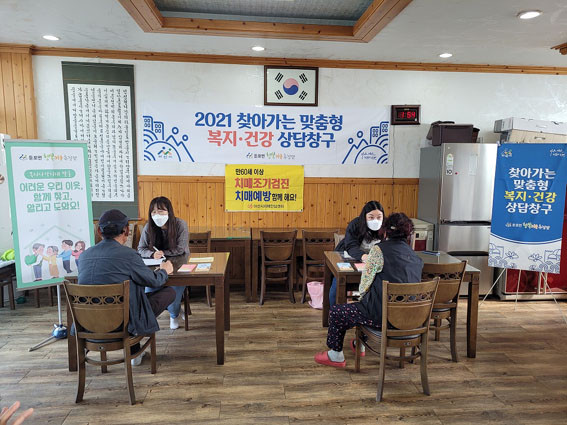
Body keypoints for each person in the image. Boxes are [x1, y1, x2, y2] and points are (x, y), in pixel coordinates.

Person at [315, 212, 423, 368]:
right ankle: (359, 343)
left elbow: (364, 285)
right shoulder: (416, 257)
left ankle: (335, 355)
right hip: (411, 320)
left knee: (339, 312)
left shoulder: (378, 250)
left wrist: (361, 298)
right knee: (366, 307)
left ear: (385, 231)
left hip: (382, 318)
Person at [78, 209, 175, 366]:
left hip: (89, 324)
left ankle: (134, 350)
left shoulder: (84, 256)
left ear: (99, 231)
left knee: (130, 291)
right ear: (127, 231)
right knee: (168, 292)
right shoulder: (129, 255)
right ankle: (134, 352)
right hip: (122, 325)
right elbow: (154, 281)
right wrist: (164, 271)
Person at [138, 196, 189, 330]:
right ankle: (173, 310)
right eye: (154, 212)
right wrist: (152, 254)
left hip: (179, 265)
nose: (157, 215)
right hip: (155, 268)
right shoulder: (149, 226)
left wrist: (163, 252)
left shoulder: (180, 224)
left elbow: (180, 249)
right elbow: (141, 249)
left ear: (169, 211)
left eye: (161, 211)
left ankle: (174, 314)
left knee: (173, 295)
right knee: (149, 293)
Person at [330, 200, 385, 306]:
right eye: (371, 217)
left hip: (372, 264)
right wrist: (364, 257)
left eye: (379, 217)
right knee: (337, 284)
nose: (375, 220)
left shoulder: (385, 228)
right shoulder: (356, 224)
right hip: (350, 257)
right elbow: (351, 246)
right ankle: (333, 311)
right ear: (365, 216)